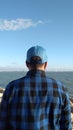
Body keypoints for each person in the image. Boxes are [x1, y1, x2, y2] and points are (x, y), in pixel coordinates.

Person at [0, 45, 72, 130]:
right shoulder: (60, 88)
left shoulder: (11, 87)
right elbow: (66, 124)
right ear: (46, 64)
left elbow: (3, 122)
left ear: (27, 63)